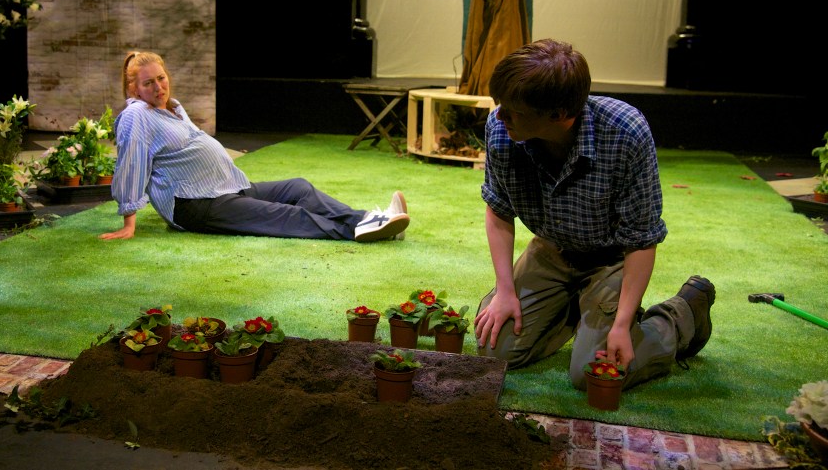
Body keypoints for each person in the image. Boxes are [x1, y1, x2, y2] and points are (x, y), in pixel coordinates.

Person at [472, 39, 715, 391]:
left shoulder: (625, 132)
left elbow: (641, 239)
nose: (499, 115)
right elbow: (498, 211)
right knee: (495, 348)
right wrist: (505, 291)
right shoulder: (501, 129)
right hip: (551, 250)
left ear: (559, 114)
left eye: (513, 110)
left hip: (610, 260)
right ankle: (576, 312)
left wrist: (622, 325)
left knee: (593, 372)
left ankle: (682, 316)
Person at [99, 51, 410, 242]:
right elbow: (131, 165)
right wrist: (129, 221)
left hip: (223, 188)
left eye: (161, 78)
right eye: (148, 83)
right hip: (194, 205)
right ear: (133, 88)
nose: (158, 87)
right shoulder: (136, 116)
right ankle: (362, 232)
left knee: (298, 188)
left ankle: (369, 219)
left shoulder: (172, 108)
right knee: (286, 216)